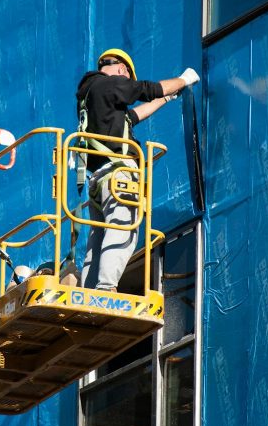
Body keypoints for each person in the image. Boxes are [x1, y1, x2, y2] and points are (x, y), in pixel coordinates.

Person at [76, 48, 199, 292]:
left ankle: (89, 294)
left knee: (98, 240)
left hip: (99, 181)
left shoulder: (92, 96)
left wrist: (166, 99)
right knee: (124, 229)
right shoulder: (109, 85)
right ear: (122, 70)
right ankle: (105, 289)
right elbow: (145, 89)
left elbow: (132, 116)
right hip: (118, 176)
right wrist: (183, 80)